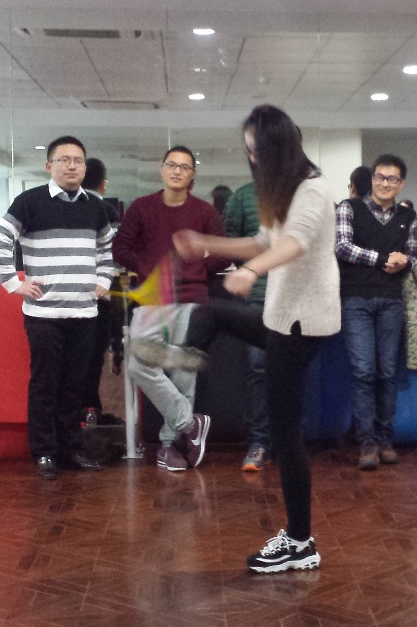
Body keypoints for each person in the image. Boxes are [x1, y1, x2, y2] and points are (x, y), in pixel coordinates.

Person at [171, 104, 339, 573]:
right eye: (248, 151)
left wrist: (251, 272)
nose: (253, 159)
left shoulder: (313, 189)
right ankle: (182, 358)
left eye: (257, 150)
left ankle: (300, 542)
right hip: (280, 317)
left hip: (301, 323)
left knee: (285, 435)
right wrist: (209, 245)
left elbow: (294, 243)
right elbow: (266, 240)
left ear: (279, 147)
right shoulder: (283, 190)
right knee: (211, 312)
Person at [0, 136, 115, 480]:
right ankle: (44, 452)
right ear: (49, 166)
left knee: (75, 387)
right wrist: (13, 283)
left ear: (85, 167)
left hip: (84, 313)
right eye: (64, 160)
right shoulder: (30, 202)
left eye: (78, 160)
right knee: (46, 384)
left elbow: (106, 248)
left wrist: (104, 279)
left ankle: (70, 449)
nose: (72, 166)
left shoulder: (95, 206)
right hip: (44, 315)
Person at [113, 145, 226, 472]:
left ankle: (169, 446)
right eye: (172, 165)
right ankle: (189, 424)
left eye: (184, 167)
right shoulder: (141, 208)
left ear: (192, 174)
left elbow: (223, 253)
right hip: (152, 301)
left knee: (182, 374)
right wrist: (150, 269)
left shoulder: (204, 211)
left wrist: (196, 268)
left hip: (192, 300)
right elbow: (121, 248)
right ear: (162, 170)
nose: (177, 171)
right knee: (139, 364)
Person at [335, 155, 417, 470]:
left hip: (391, 300)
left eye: (392, 179)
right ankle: (367, 442)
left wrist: (404, 262)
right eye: (380, 177)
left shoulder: (408, 217)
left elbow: (414, 255)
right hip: (355, 300)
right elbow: (342, 246)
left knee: (387, 372)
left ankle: (385, 439)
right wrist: (382, 259)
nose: (386, 183)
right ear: (371, 179)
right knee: (363, 371)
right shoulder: (348, 208)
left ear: (401, 183)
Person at [223, 178, 273, 472]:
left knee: (296, 372)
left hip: (298, 299)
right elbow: (231, 244)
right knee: (257, 369)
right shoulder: (243, 196)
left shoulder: (305, 192)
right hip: (259, 297)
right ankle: (259, 442)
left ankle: (291, 440)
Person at [77, 158, 126, 421]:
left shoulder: (64, 206)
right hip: (100, 295)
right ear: (103, 184)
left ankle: (74, 412)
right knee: (94, 355)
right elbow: (114, 257)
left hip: (67, 296)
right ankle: (89, 407)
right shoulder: (106, 210)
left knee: (72, 357)